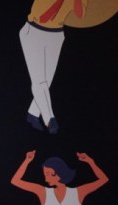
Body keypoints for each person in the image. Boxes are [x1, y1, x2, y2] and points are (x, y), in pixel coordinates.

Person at [19, 0, 88, 134]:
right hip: (33, 31)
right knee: (39, 81)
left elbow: (80, 14)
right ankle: (50, 119)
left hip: (56, 35)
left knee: (47, 80)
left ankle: (33, 114)